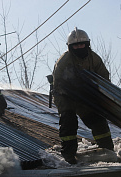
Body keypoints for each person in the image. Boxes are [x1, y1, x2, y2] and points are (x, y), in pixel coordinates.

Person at [52, 27, 114, 164]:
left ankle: (108, 150)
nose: (79, 47)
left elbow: (104, 78)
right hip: (66, 96)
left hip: (86, 95)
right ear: (70, 47)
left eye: (82, 44)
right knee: (68, 121)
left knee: (98, 120)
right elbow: (58, 83)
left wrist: (101, 96)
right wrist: (70, 90)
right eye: (75, 45)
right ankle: (69, 154)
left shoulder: (94, 58)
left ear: (87, 44)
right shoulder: (63, 61)